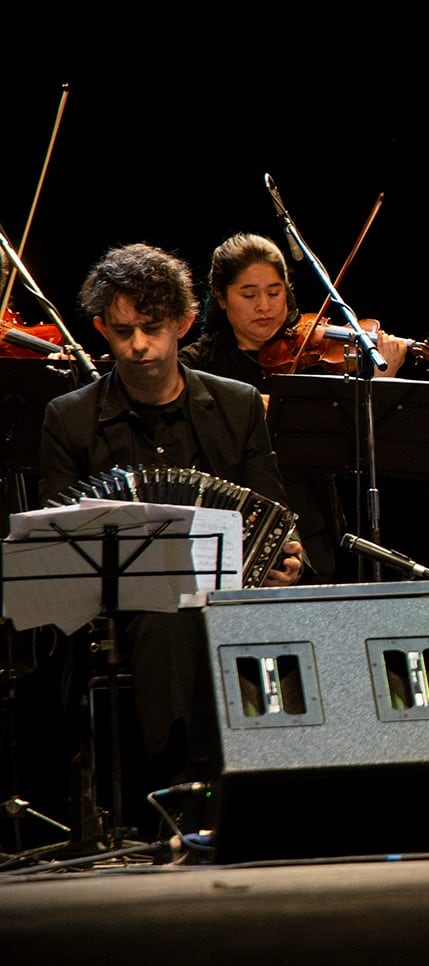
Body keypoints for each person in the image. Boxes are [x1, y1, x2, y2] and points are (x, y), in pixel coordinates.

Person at [40, 242, 304, 802]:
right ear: (100, 329)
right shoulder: (70, 418)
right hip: (119, 612)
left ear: (183, 323)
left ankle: (281, 790)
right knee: (166, 619)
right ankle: (184, 789)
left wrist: (285, 558)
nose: (137, 345)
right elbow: (56, 550)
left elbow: (275, 518)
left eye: (152, 328)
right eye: (121, 331)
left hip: (233, 600)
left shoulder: (237, 406)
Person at [180, 233, 407, 580]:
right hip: (224, 531)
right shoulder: (195, 365)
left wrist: (380, 382)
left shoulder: (312, 357)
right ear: (222, 298)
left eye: (274, 292)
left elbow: (354, 449)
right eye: (249, 294)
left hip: (311, 529)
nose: (265, 306)